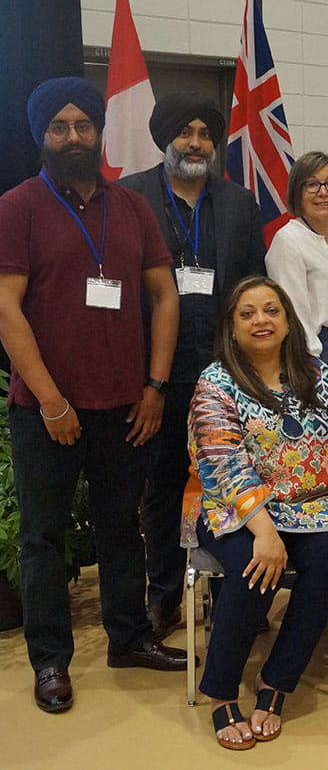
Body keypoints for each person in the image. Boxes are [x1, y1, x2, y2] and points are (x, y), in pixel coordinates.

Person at [0, 77, 187, 714]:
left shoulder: (133, 207)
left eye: (83, 125)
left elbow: (165, 297)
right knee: (44, 540)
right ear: (41, 136)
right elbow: (6, 309)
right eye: (60, 127)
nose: (74, 136)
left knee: (121, 529)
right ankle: (50, 661)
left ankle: (129, 639)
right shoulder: (18, 207)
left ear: (99, 132)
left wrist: (156, 385)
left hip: (126, 407)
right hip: (44, 413)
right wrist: (52, 402)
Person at [184, 276, 328, 750]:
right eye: (247, 313)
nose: (260, 320)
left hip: (311, 505)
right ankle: (221, 691)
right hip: (229, 509)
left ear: (288, 321)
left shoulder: (319, 376)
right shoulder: (216, 382)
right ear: (231, 327)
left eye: (271, 310)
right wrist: (266, 532)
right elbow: (224, 466)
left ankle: (277, 680)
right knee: (254, 561)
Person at [120, 91, 266, 639]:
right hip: (154, 373)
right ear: (166, 139)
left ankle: (236, 594)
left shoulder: (239, 203)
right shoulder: (131, 197)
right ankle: (163, 596)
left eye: (205, 134)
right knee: (159, 490)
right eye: (186, 133)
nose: (196, 143)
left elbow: (254, 284)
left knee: (232, 484)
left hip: (227, 374)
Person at [266, 152, 328, 452]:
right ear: (297, 191)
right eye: (312, 184)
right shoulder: (289, 240)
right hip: (320, 353)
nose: (323, 192)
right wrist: (312, 369)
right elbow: (294, 314)